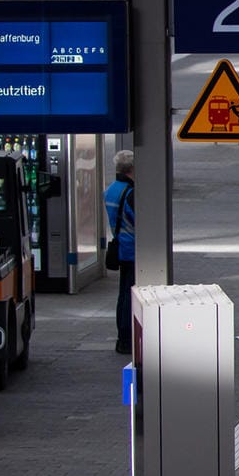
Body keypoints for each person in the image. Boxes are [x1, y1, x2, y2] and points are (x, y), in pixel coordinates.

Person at [103, 150, 135, 355]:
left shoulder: (111, 189)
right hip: (132, 247)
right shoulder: (131, 193)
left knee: (123, 293)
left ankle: (121, 337)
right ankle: (125, 338)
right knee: (129, 294)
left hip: (120, 246)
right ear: (132, 169)